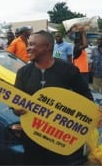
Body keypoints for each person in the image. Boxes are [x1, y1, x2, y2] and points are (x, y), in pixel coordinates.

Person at [12, 30, 94, 165]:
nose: (28, 48)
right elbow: (15, 102)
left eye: (32, 44)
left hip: (59, 139)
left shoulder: (68, 70)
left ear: (47, 46)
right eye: (28, 44)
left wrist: (93, 115)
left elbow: (86, 97)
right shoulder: (23, 72)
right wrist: (17, 109)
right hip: (32, 138)